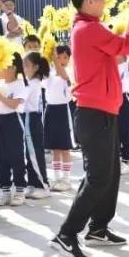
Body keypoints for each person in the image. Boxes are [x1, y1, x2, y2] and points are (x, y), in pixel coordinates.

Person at [51, 0, 129, 257]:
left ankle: (98, 228)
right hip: (94, 114)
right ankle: (67, 234)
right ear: (89, 2)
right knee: (98, 178)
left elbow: (116, 52)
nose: (105, 3)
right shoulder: (88, 29)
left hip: (102, 112)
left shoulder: (87, 28)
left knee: (110, 172)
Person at [0, 52, 29, 207]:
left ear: (13, 68)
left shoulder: (20, 84)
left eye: (4, 66)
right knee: (0, 156)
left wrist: (0, 97)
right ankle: (5, 190)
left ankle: (20, 190)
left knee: (16, 156)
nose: (1, 70)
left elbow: (14, 104)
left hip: (13, 120)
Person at [21, 52, 52, 200]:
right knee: (29, 153)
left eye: (26, 65)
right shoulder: (29, 81)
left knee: (35, 153)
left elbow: (21, 98)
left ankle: (43, 185)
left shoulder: (33, 83)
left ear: (36, 67)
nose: (23, 68)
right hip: (28, 119)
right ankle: (33, 184)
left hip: (32, 119)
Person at [44, 44, 74, 191]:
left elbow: (63, 75)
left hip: (63, 110)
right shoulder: (48, 72)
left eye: (65, 57)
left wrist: (56, 63)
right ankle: (56, 178)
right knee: (55, 148)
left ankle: (67, 179)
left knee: (65, 148)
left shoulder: (68, 71)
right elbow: (44, 83)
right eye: (58, 56)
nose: (61, 60)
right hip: (50, 110)